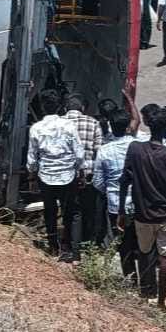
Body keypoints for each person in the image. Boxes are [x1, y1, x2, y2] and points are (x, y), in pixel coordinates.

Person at [119, 107, 166, 310]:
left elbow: (124, 180)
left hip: (142, 214)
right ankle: (161, 301)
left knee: (145, 252)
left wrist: (122, 210)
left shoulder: (135, 149)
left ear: (149, 126)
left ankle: (146, 292)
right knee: (165, 258)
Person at [26, 90, 84, 262]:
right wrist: (79, 171)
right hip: (67, 175)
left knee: (49, 210)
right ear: (60, 106)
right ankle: (68, 248)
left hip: (46, 176)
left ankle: (52, 246)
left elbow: (32, 157)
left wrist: (32, 175)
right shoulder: (69, 126)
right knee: (69, 212)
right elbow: (79, 154)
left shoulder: (36, 128)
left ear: (42, 107)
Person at [93, 108, 147, 287]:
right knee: (143, 244)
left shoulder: (104, 150)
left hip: (116, 204)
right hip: (140, 203)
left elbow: (98, 182)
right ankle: (146, 283)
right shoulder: (140, 146)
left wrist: (110, 191)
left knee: (123, 245)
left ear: (111, 126)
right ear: (127, 127)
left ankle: (130, 280)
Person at [64, 94, 103, 245]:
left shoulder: (60, 123)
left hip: (65, 174)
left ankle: (68, 241)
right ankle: (86, 240)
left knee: (69, 209)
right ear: (83, 108)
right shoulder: (93, 123)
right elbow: (98, 151)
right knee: (87, 208)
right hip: (88, 174)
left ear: (66, 108)